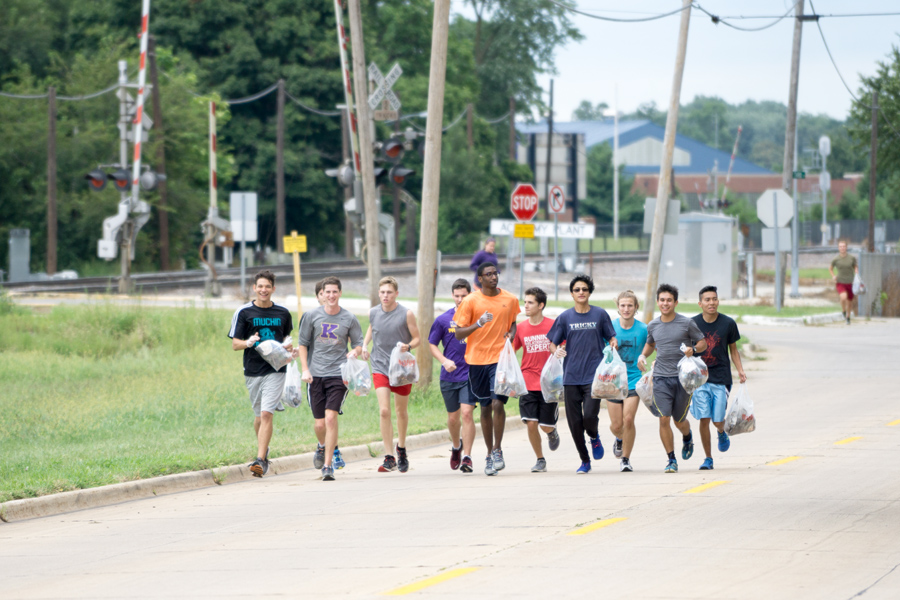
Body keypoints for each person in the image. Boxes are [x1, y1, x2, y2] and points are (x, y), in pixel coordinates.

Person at [453, 262, 521, 476]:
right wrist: (478, 324)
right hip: (476, 361)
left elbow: (513, 323)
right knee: (484, 407)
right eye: (488, 274)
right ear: (480, 279)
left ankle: (497, 450)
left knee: (497, 402)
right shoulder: (471, 301)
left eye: (496, 273)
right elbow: (458, 333)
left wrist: (511, 333)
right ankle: (488, 455)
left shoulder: (510, 299)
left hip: (500, 360)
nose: (493, 277)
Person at [227, 270, 295, 478]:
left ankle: (260, 460)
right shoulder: (244, 312)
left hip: (276, 369)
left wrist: (288, 346)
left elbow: (287, 339)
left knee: (267, 413)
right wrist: (248, 342)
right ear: (254, 288)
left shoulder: (283, 313)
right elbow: (235, 344)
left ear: (273, 289)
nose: (264, 290)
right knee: (258, 416)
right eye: (260, 286)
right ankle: (263, 451)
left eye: (268, 286)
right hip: (253, 369)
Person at [548, 274, 618, 474]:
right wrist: (556, 351)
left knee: (589, 417)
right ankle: (584, 460)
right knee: (574, 422)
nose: (581, 292)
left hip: (594, 377)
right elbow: (552, 343)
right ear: (571, 294)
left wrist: (613, 344)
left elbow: (611, 337)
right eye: (577, 290)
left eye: (584, 289)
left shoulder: (599, 314)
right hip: (570, 377)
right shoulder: (564, 317)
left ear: (589, 292)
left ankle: (594, 436)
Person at [297, 276, 365, 481]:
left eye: (335, 291)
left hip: (339, 375)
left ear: (340, 293)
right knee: (319, 425)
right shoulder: (311, 316)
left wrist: (355, 352)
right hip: (315, 375)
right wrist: (305, 369)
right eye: (328, 292)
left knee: (330, 418)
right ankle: (322, 445)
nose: (331, 295)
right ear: (322, 294)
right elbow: (302, 344)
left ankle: (328, 465)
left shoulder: (349, 318)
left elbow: (359, 343)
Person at [638, 284, 707, 474]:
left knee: (679, 420)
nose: (665, 303)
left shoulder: (687, 323)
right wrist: (643, 355)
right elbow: (650, 344)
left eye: (669, 300)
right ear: (657, 302)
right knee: (664, 418)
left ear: (675, 302)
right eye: (662, 300)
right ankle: (671, 459)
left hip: (684, 379)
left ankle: (687, 435)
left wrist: (694, 349)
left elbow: (702, 343)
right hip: (660, 377)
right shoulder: (653, 325)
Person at [362, 276, 421, 474]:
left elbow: (417, 338)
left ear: (396, 294)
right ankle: (389, 456)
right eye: (382, 292)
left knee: (400, 411)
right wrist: (364, 345)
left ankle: (401, 448)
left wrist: (409, 345)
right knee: (384, 411)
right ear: (378, 294)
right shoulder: (373, 312)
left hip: (401, 368)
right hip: (380, 366)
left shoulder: (406, 313)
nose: (385, 296)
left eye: (389, 292)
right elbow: (373, 327)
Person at [692, 285, 747, 470]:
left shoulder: (728, 323)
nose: (711, 303)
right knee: (704, 418)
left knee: (716, 420)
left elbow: (733, 349)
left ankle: (721, 431)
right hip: (699, 379)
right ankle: (708, 458)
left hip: (721, 377)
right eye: (707, 300)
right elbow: (685, 350)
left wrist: (740, 370)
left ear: (718, 301)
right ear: (700, 303)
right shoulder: (692, 324)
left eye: (714, 299)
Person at [512, 287, 561, 473]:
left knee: (545, 425)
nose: (526, 305)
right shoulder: (521, 327)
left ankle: (552, 431)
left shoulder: (553, 325)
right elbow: (511, 350)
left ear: (541, 305)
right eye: (525, 302)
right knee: (531, 422)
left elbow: (562, 346)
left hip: (549, 382)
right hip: (527, 381)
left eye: (530, 302)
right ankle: (540, 459)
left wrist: (558, 350)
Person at [428, 279, 473, 472]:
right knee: (453, 418)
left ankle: (468, 457)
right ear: (452, 296)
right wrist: (444, 361)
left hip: (470, 374)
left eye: (464, 295)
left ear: (470, 295)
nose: (460, 299)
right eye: (457, 295)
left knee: (467, 413)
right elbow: (432, 344)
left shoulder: (477, 318)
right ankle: (456, 447)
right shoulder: (443, 320)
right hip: (449, 375)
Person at [610, 290, 648, 473]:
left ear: (636, 307)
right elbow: (601, 351)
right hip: (613, 380)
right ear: (618, 307)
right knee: (617, 426)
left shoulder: (643, 329)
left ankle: (625, 459)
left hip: (633, 378)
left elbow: (652, 345)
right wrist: (610, 348)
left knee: (629, 419)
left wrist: (644, 357)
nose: (626, 309)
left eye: (630, 305)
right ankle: (619, 438)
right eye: (623, 305)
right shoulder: (610, 327)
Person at [829, 240, 858, 325]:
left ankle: (848, 317)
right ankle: (843, 310)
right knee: (843, 297)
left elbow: (855, 267)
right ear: (838, 248)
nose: (842, 248)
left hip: (850, 282)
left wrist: (856, 272)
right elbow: (830, 268)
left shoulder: (851, 258)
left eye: (843, 246)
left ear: (846, 247)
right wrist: (833, 276)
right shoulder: (836, 259)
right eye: (840, 246)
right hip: (840, 282)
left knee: (849, 302)